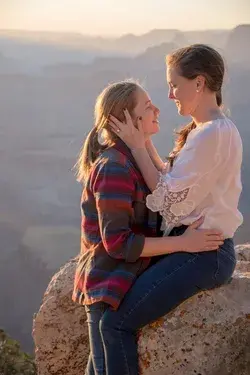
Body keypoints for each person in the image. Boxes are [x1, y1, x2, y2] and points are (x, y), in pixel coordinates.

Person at [96, 44, 243, 375]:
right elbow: (172, 180)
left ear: (199, 83)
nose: (170, 94)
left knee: (115, 325)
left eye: (174, 84)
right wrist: (144, 140)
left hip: (203, 253)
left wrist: (135, 146)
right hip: (197, 247)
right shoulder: (211, 130)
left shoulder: (212, 134)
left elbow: (166, 200)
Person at [72, 79, 224, 375]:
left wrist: (143, 143)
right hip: (108, 288)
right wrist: (185, 244)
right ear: (126, 119)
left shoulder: (131, 159)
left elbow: (167, 186)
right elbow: (118, 243)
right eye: (147, 106)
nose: (157, 109)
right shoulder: (114, 166)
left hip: (121, 285)